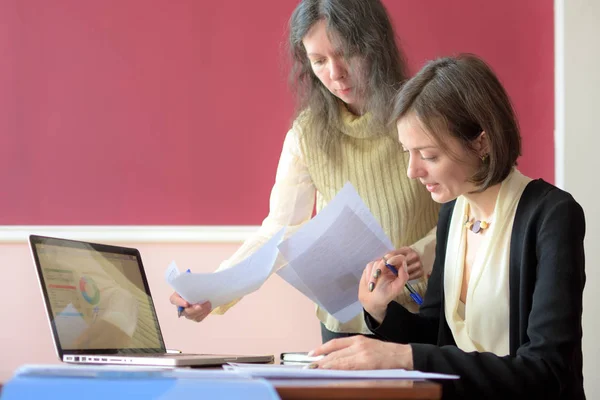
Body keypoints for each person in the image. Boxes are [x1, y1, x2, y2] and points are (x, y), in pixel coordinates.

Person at [308, 54, 586, 399]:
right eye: (407, 152)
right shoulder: (454, 213)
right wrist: (380, 310)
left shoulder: (552, 215)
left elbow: (547, 369)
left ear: (481, 142)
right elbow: (435, 337)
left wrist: (402, 356)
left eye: (428, 155)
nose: (412, 171)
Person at [169, 0, 440, 343]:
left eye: (348, 53)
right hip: (344, 321)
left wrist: (424, 252)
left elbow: (467, 207)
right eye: (319, 61)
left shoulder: (421, 113)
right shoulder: (307, 133)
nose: (335, 73)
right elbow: (279, 230)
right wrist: (214, 292)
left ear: (376, 46)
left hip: (420, 312)